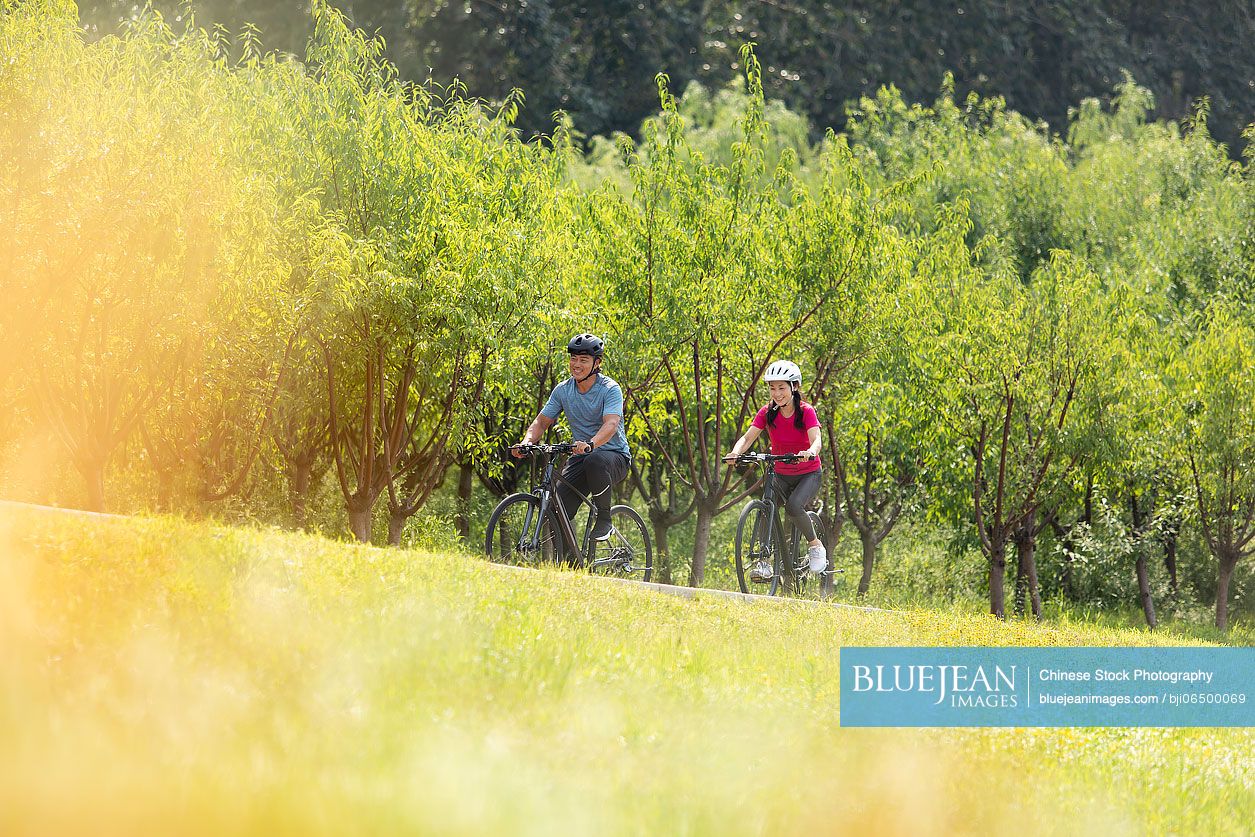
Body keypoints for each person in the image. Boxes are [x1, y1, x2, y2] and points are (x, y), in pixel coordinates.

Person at [515, 333, 631, 540]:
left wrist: (591, 444)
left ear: (597, 363)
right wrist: (527, 442)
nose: (576, 364)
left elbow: (611, 424)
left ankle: (604, 519)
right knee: (557, 511)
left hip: (614, 457)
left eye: (583, 360)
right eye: (573, 359)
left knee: (595, 459)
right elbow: (541, 422)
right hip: (581, 457)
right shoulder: (563, 390)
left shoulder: (610, 389)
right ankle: (571, 565)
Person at [723, 359, 827, 582]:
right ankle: (763, 561)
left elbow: (816, 439)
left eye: (781, 387)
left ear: (794, 387)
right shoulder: (767, 412)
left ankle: (814, 544)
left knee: (793, 506)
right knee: (765, 508)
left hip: (808, 473)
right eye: (772, 388)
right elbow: (748, 437)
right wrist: (735, 452)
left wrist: (810, 450)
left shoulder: (806, 411)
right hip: (780, 472)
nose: (777, 393)